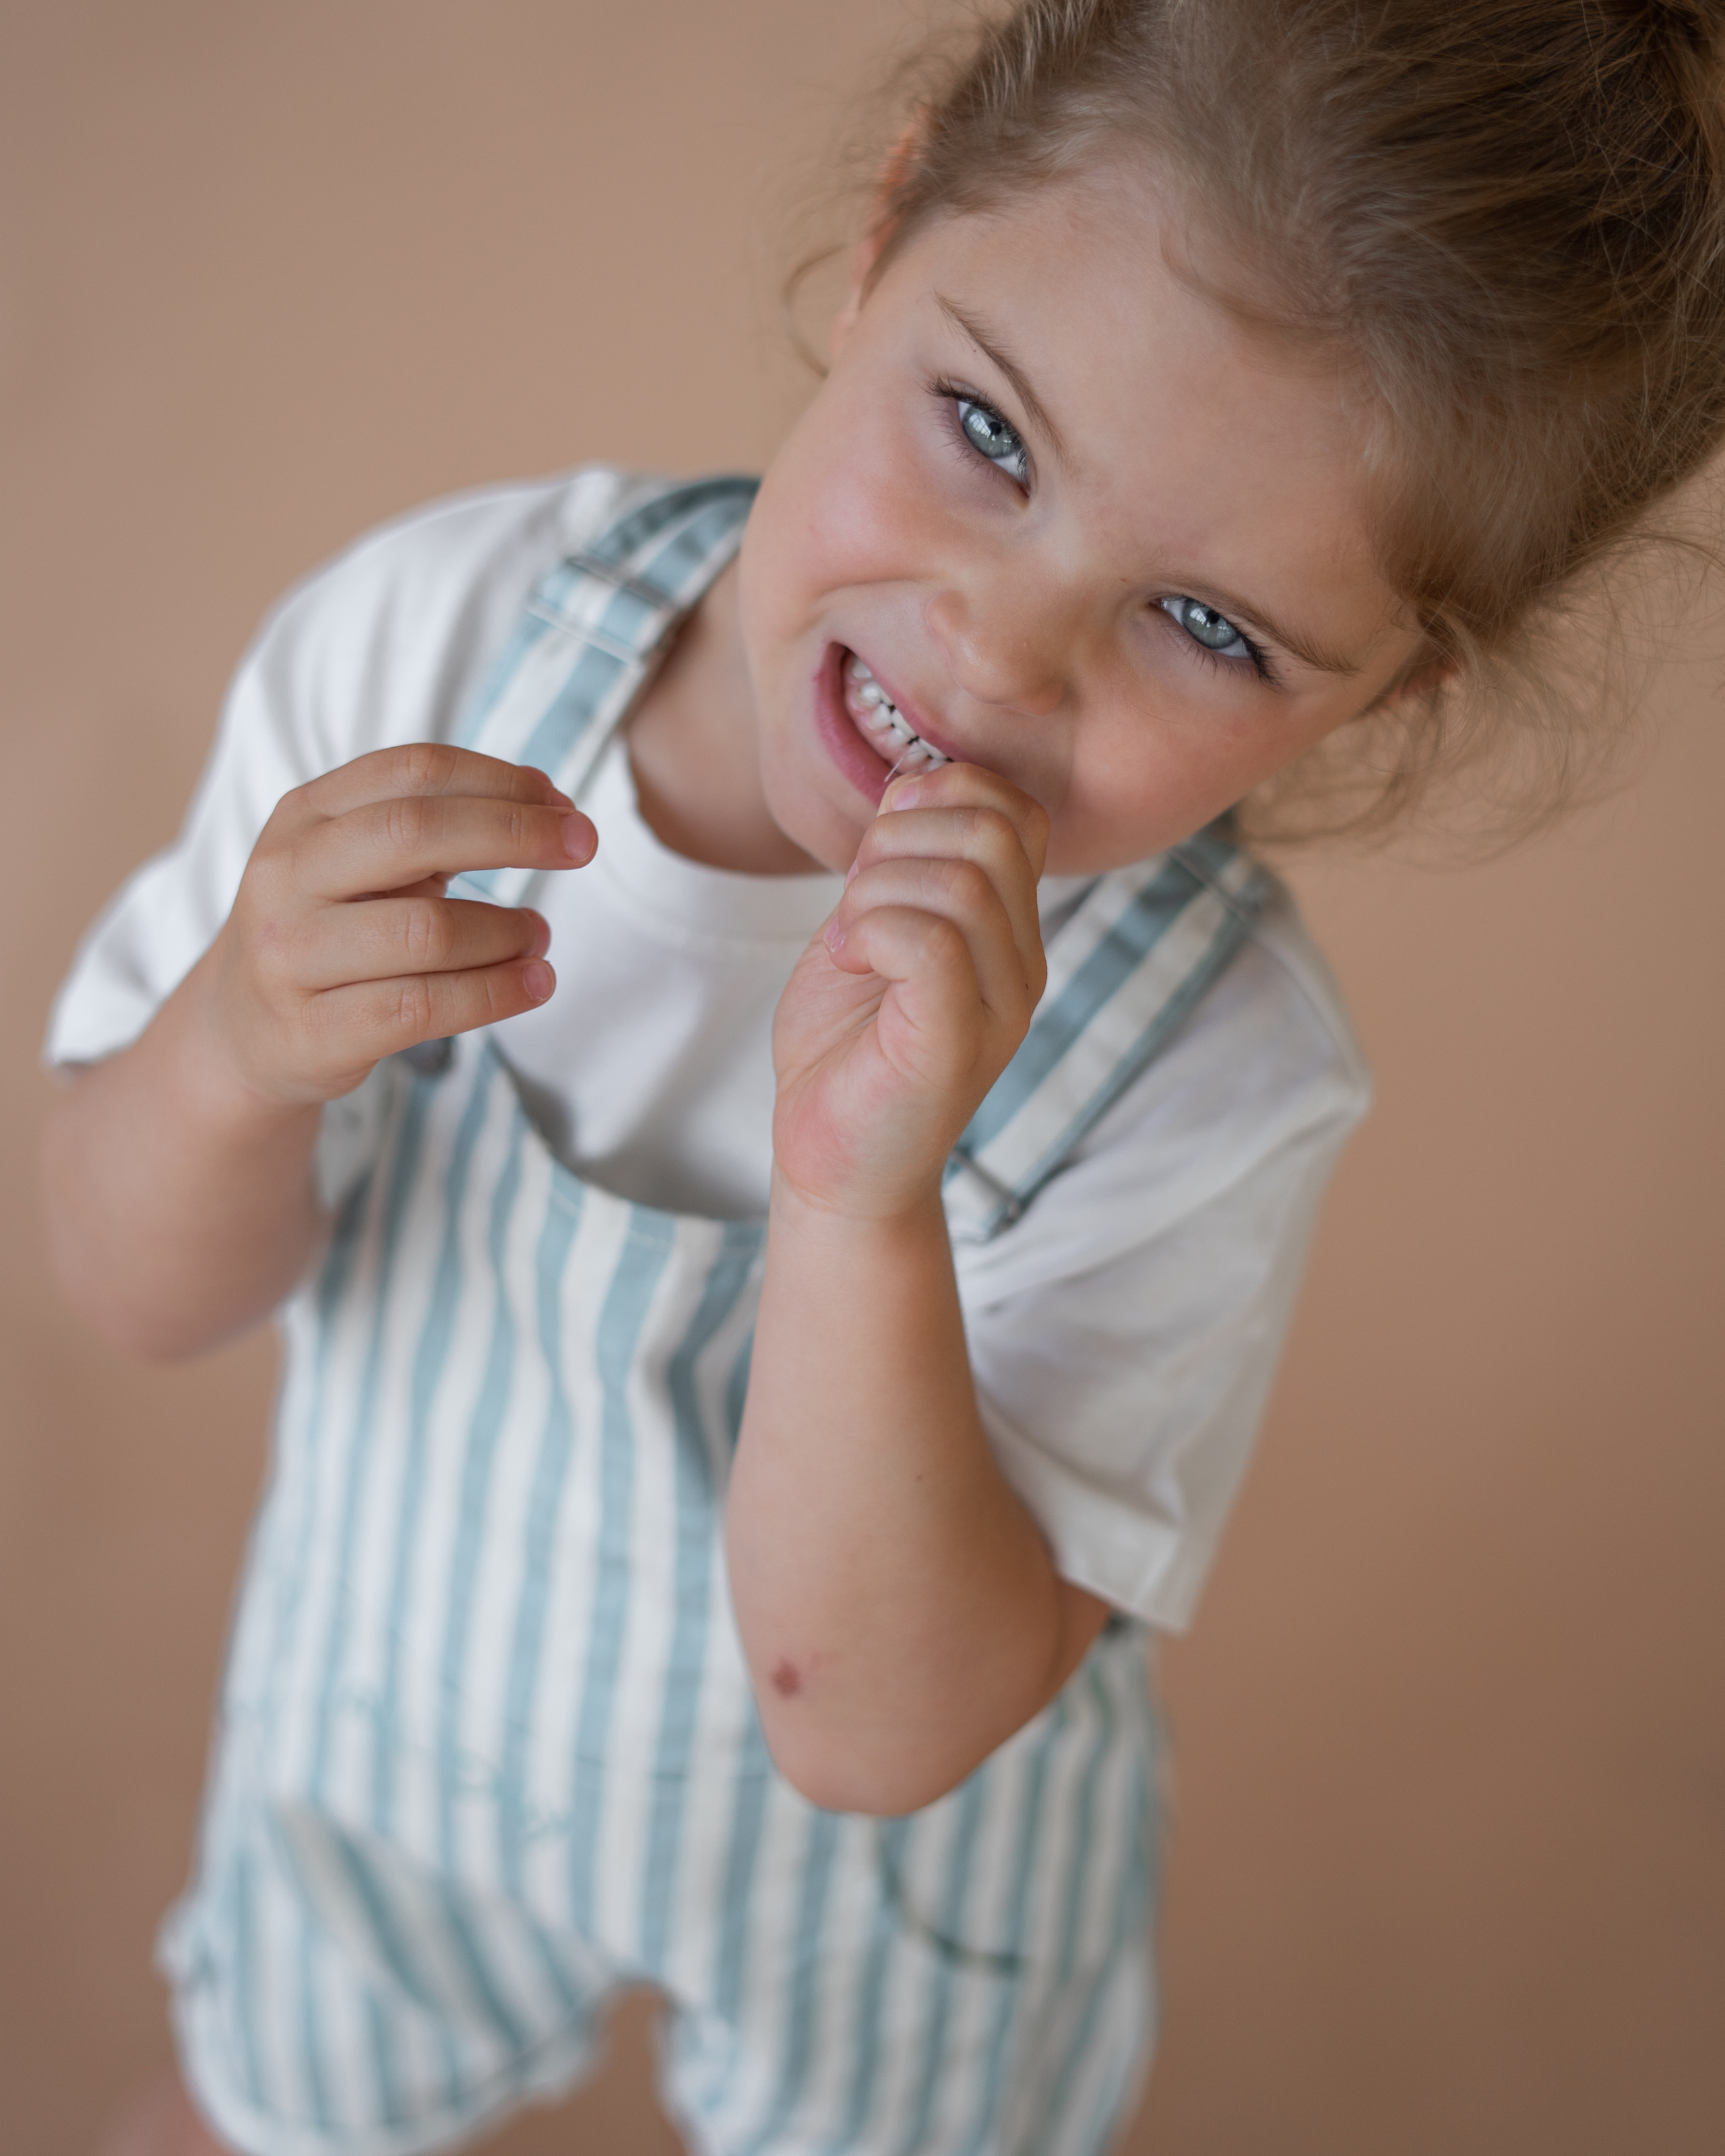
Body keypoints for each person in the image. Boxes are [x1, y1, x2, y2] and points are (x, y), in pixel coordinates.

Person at [43, 3, 1725, 2153]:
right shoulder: (442, 656)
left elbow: (867, 1730)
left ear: (1388, 697)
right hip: (392, 1747)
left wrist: (861, 1201)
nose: (1002, 655)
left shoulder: (1201, 1072)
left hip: (880, 1917)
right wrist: (230, 1048)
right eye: (988, 433)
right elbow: (138, 1290)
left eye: (1210, 628)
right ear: (889, 218)